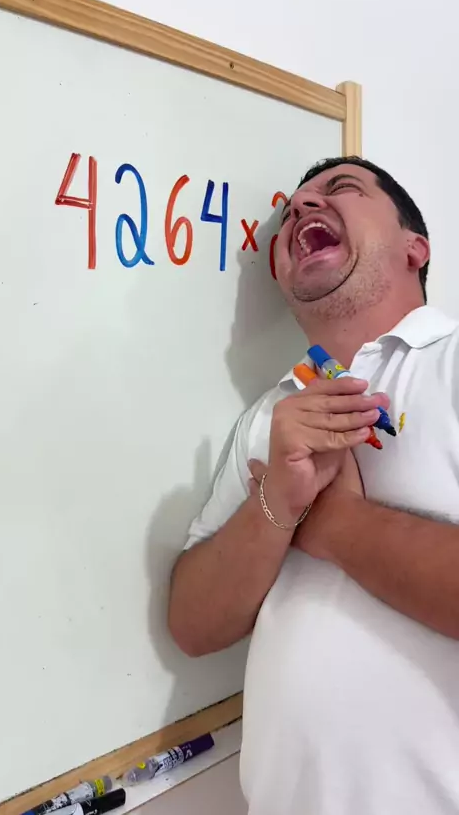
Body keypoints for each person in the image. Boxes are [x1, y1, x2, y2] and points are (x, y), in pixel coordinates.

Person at [168, 156, 459, 815]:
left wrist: (330, 523)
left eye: (341, 189)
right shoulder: (269, 415)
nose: (300, 208)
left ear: (415, 247)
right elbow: (193, 625)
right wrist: (277, 505)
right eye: (291, 209)